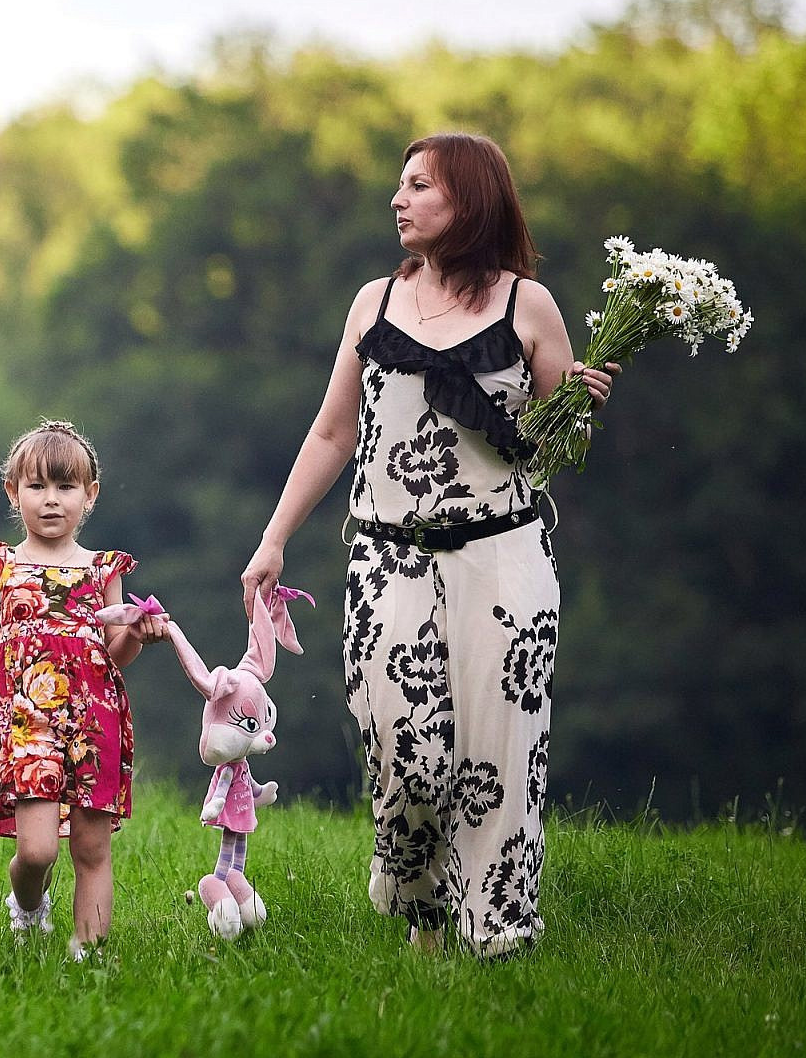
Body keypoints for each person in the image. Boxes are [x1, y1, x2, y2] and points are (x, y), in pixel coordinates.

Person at [240, 132, 616, 958]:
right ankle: (423, 901)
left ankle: (493, 937)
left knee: (497, 754)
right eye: (399, 186)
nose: (397, 200)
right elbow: (335, 431)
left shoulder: (530, 307)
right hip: (386, 557)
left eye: (418, 186)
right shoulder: (373, 302)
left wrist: (573, 406)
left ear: (469, 200)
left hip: (503, 557)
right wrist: (273, 541)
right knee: (405, 751)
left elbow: (554, 454)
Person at [0, 421, 166, 958]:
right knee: (37, 850)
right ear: (13, 491)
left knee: (93, 847)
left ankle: (88, 957)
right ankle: (28, 907)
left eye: (66, 487)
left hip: (94, 720)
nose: (51, 501)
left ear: (89, 494)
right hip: (29, 720)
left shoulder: (102, 571)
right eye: (37, 487)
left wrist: (137, 637)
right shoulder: (0, 566)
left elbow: (113, 652)